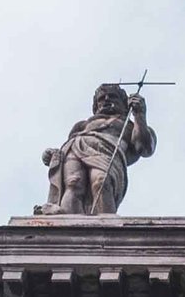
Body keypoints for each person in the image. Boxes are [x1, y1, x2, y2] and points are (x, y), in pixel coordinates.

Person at [41, 80, 156, 216]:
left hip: (107, 152)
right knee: (73, 182)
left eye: (112, 97)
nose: (106, 100)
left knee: (101, 181)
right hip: (76, 148)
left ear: (124, 104)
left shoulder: (128, 126)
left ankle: (106, 223)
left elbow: (145, 148)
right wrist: (53, 154)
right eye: (102, 99)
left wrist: (140, 115)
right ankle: (67, 219)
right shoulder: (83, 125)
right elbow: (66, 144)